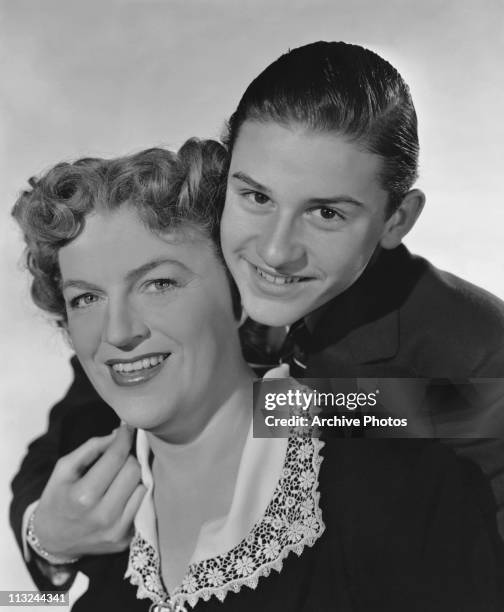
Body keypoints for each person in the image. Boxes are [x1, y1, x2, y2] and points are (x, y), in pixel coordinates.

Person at [10, 39, 504, 594]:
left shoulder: (479, 358)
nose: (273, 252)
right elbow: (70, 438)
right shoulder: (183, 264)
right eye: (257, 198)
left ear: (397, 219)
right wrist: (48, 536)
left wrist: (248, 405)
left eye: (326, 212)